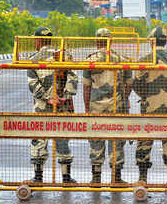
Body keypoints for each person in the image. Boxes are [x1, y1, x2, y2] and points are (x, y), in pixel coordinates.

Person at [133, 26, 167, 188]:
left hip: (148, 110)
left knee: (144, 144)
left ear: (152, 42)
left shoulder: (145, 59)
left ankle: (143, 178)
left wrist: (146, 95)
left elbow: (136, 85)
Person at [27, 26, 77, 184]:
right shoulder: (62, 56)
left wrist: (47, 98)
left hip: (42, 107)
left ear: (38, 41)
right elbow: (73, 77)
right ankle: (66, 178)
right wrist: (65, 96)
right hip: (62, 106)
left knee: (39, 139)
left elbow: (33, 84)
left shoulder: (34, 58)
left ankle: (38, 177)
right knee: (62, 138)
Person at [83, 28, 133, 184]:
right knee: (116, 139)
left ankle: (96, 177)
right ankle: (116, 178)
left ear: (97, 42)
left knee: (96, 139)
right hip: (117, 107)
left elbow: (86, 87)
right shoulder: (122, 59)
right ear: (111, 41)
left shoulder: (90, 60)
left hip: (96, 107)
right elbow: (129, 84)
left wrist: (87, 107)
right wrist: (123, 99)